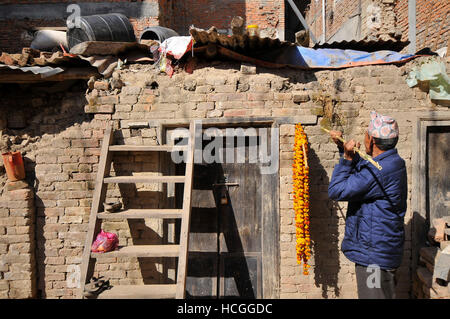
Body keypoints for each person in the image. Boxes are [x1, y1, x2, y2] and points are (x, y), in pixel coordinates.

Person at [328, 111, 407, 299]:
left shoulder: (381, 171)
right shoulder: (391, 163)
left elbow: (337, 191)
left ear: (371, 140)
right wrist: (343, 149)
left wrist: (347, 159)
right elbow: (362, 177)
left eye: (365, 134)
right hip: (379, 251)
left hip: (375, 258)